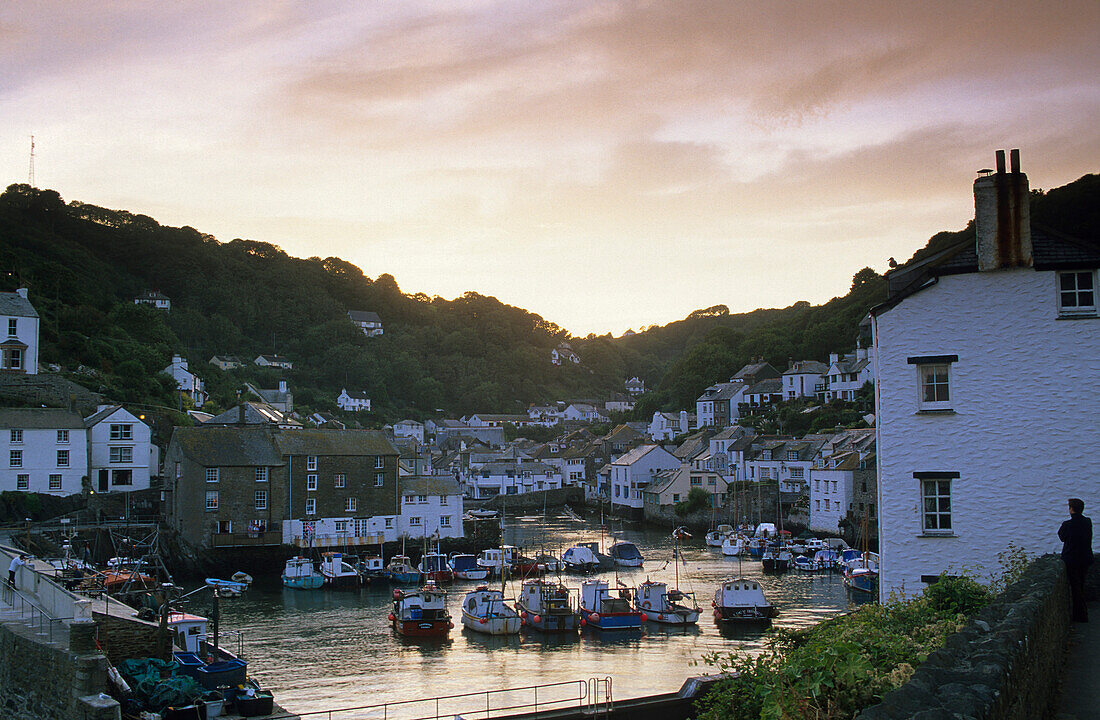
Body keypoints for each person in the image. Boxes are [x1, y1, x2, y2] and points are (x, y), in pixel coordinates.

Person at [1059, 498, 1094, 622]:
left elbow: (1062, 537)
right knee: (1081, 585)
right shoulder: (1087, 522)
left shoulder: (1067, 525)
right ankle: (1081, 613)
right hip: (1085, 558)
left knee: (1075, 587)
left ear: (1071, 509)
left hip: (1071, 559)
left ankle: (1080, 615)